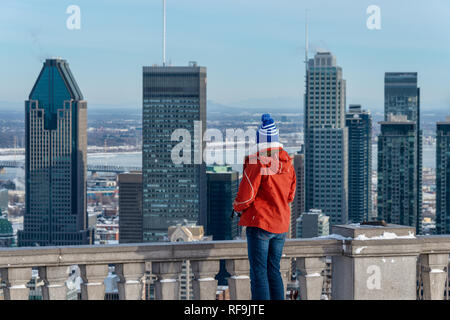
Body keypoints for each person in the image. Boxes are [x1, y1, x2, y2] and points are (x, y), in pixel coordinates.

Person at [233, 113, 296, 300]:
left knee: (259, 273)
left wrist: (237, 207)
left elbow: (246, 195)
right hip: (281, 225)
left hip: (260, 222)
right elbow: (290, 195)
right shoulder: (287, 163)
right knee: (273, 270)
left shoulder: (257, 161)